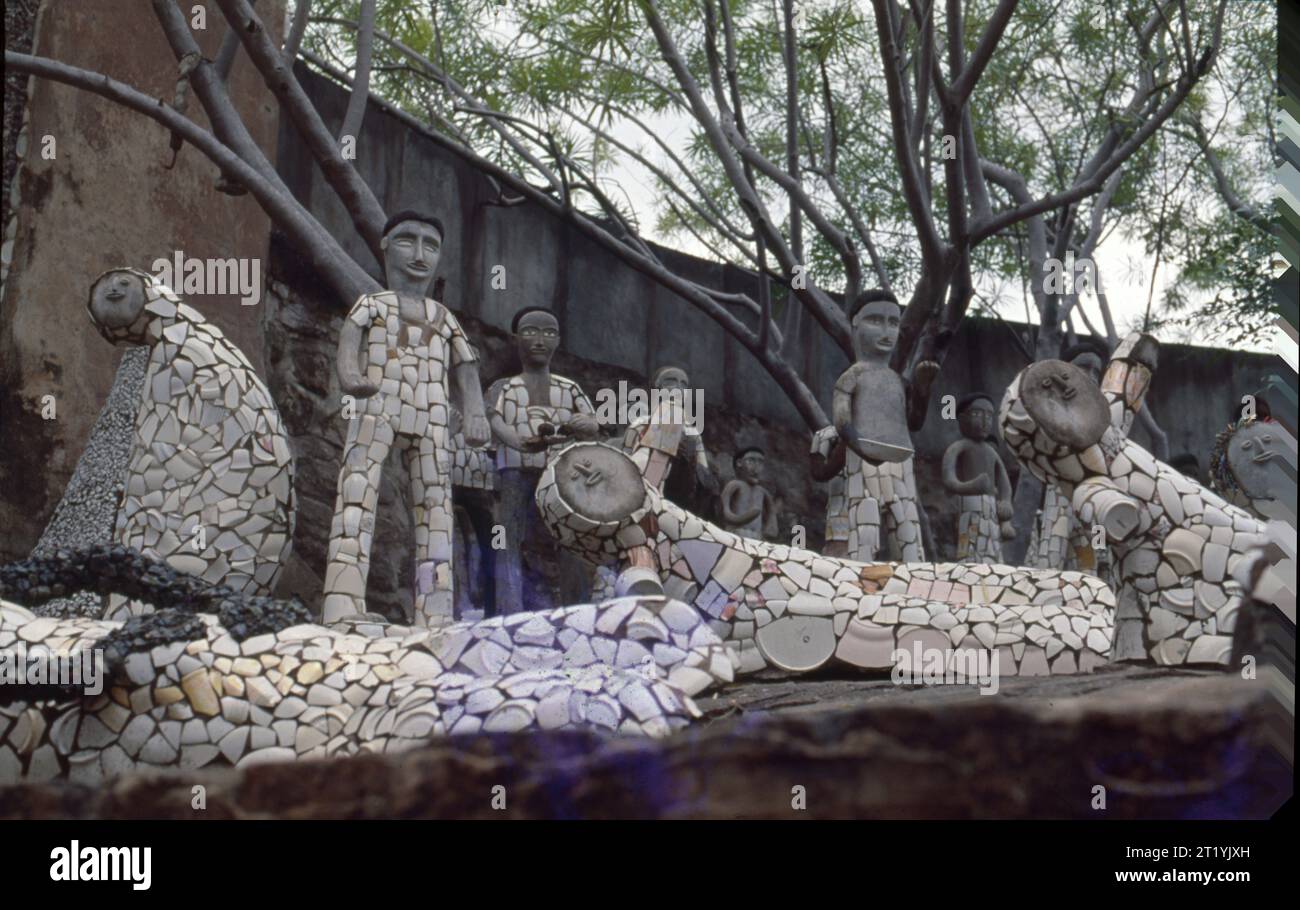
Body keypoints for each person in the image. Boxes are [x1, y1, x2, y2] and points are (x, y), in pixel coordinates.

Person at [321, 210, 489, 627]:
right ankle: (342, 605)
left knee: (436, 509)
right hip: (377, 403)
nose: (419, 254)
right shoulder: (372, 304)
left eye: (430, 246)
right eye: (406, 241)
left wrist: (475, 412)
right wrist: (351, 376)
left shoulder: (443, 317)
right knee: (357, 492)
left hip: (432, 414)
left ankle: (433, 614)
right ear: (384, 246)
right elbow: (349, 343)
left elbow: (466, 367)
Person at [488, 306, 600, 612]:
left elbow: (593, 423)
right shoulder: (504, 388)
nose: (539, 340)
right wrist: (518, 442)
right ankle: (507, 610)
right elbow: (494, 422)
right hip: (514, 471)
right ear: (515, 338)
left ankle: (577, 610)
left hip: (562, 475)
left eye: (549, 332)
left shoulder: (570, 387)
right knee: (508, 538)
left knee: (572, 537)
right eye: (530, 331)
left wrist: (583, 425)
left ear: (559, 340)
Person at [833, 290, 936, 561]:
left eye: (893, 322)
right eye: (876, 320)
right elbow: (842, 422)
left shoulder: (898, 381)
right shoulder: (852, 376)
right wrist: (864, 451)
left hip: (901, 463)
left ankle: (914, 586)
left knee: (908, 533)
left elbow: (914, 422)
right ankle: (861, 583)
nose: (886, 330)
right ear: (855, 323)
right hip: (863, 459)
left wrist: (923, 390)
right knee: (864, 531)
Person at [941, 393, 1014, 562]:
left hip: (991, 510)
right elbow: (949, 480)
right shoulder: (958, 447)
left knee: (993, 547)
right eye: (976, 414)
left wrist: (1006, 502)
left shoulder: (991, 451)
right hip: (968, 506)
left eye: (989, 416)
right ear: (961, 418)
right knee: (970, 547)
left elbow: (1004, 484)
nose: (984, 421)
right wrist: (970, 486)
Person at [720, 447, 779, 540]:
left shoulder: (762, 491)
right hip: (736, 534)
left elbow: (771, 513)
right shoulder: (734, 485)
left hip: (757, 538)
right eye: (751, 461)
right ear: (739, 463)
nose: (756, 468)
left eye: (760, 462)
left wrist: (770, 528)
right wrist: (742, 518)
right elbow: (724, 510)